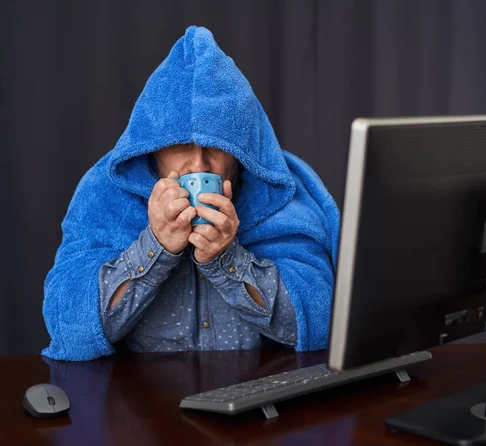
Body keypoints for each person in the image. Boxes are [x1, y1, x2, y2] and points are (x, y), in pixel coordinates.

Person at [42, 26, 340, 361]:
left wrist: (229, 260)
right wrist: (155, 248)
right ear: (152, 150)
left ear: (241, 152)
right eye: (181, 147)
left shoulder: (281, 194)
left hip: (259, 399)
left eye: (216, 146)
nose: (199, 166)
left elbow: (324, 323)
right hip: (140, 404)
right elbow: (69, 328)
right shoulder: (105, 193)